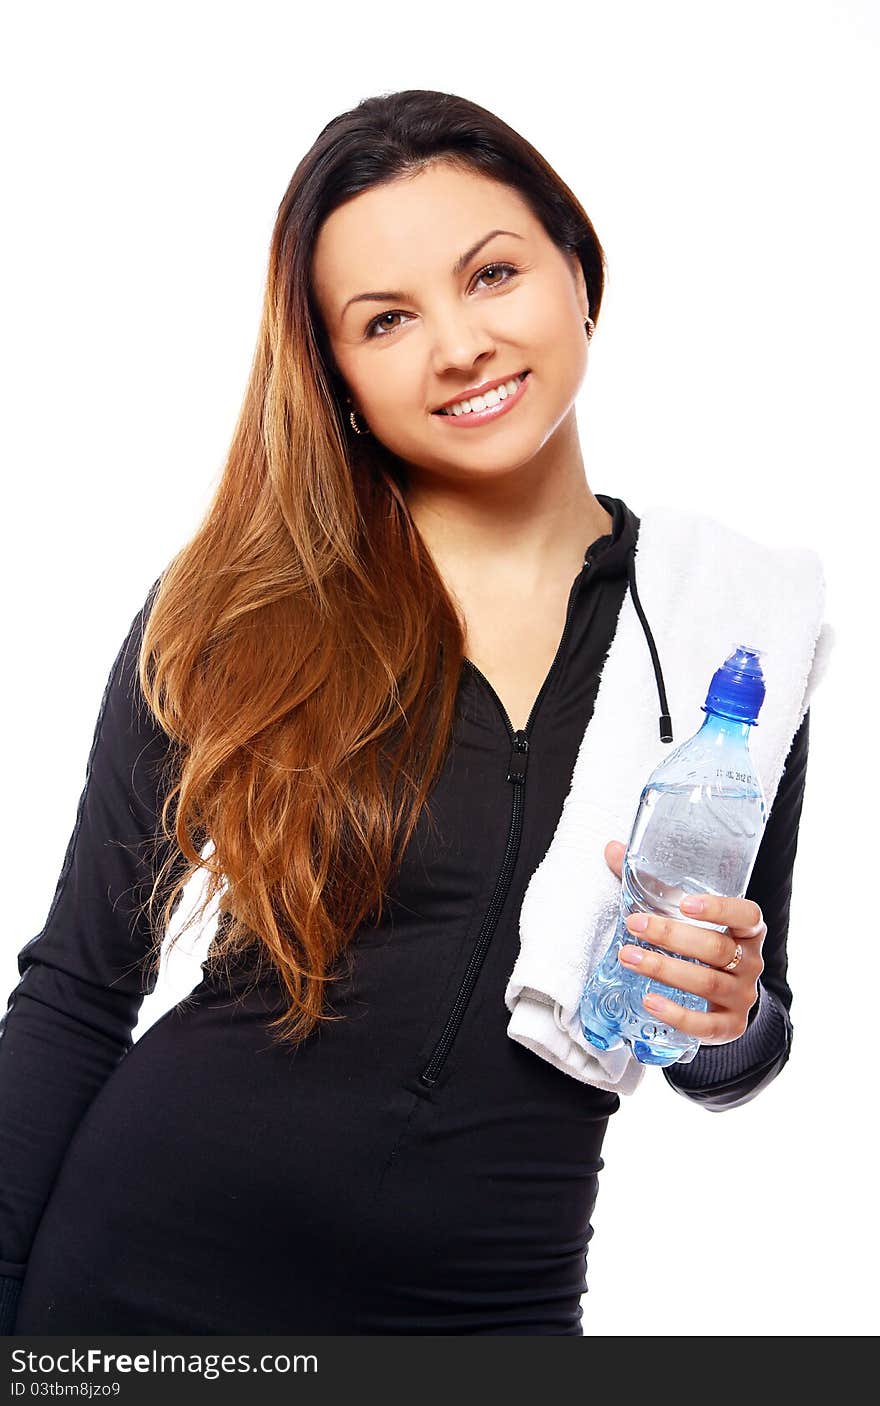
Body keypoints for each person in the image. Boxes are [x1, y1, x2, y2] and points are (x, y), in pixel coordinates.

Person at [0, 89, 812, 1337]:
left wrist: (726, 1008)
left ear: (578, 270)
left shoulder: (726, 634)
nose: (458, 344)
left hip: (490, 1309)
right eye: (386, 319)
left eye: (491, 274)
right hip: (145, 1290)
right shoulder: (239, 608)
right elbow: (74, 992)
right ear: (338, 376)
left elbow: (735, 1048)